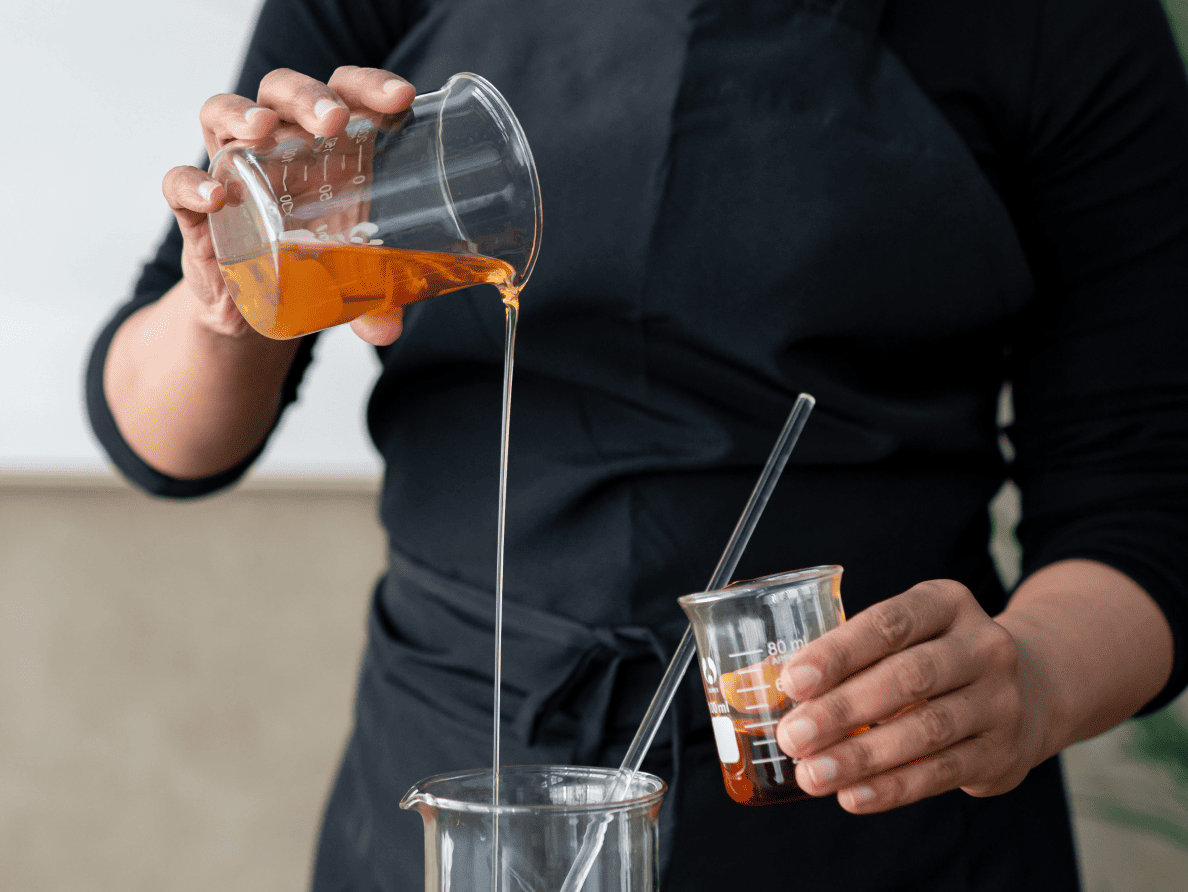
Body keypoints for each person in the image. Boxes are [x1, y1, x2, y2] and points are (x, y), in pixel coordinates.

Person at [87, 0, 1188, 889]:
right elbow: (162, 438)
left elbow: (1147, 502)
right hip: (460, 756)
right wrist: (226, 294)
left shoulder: (1062, 25)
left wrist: (1026, 683)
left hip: (864, 789)